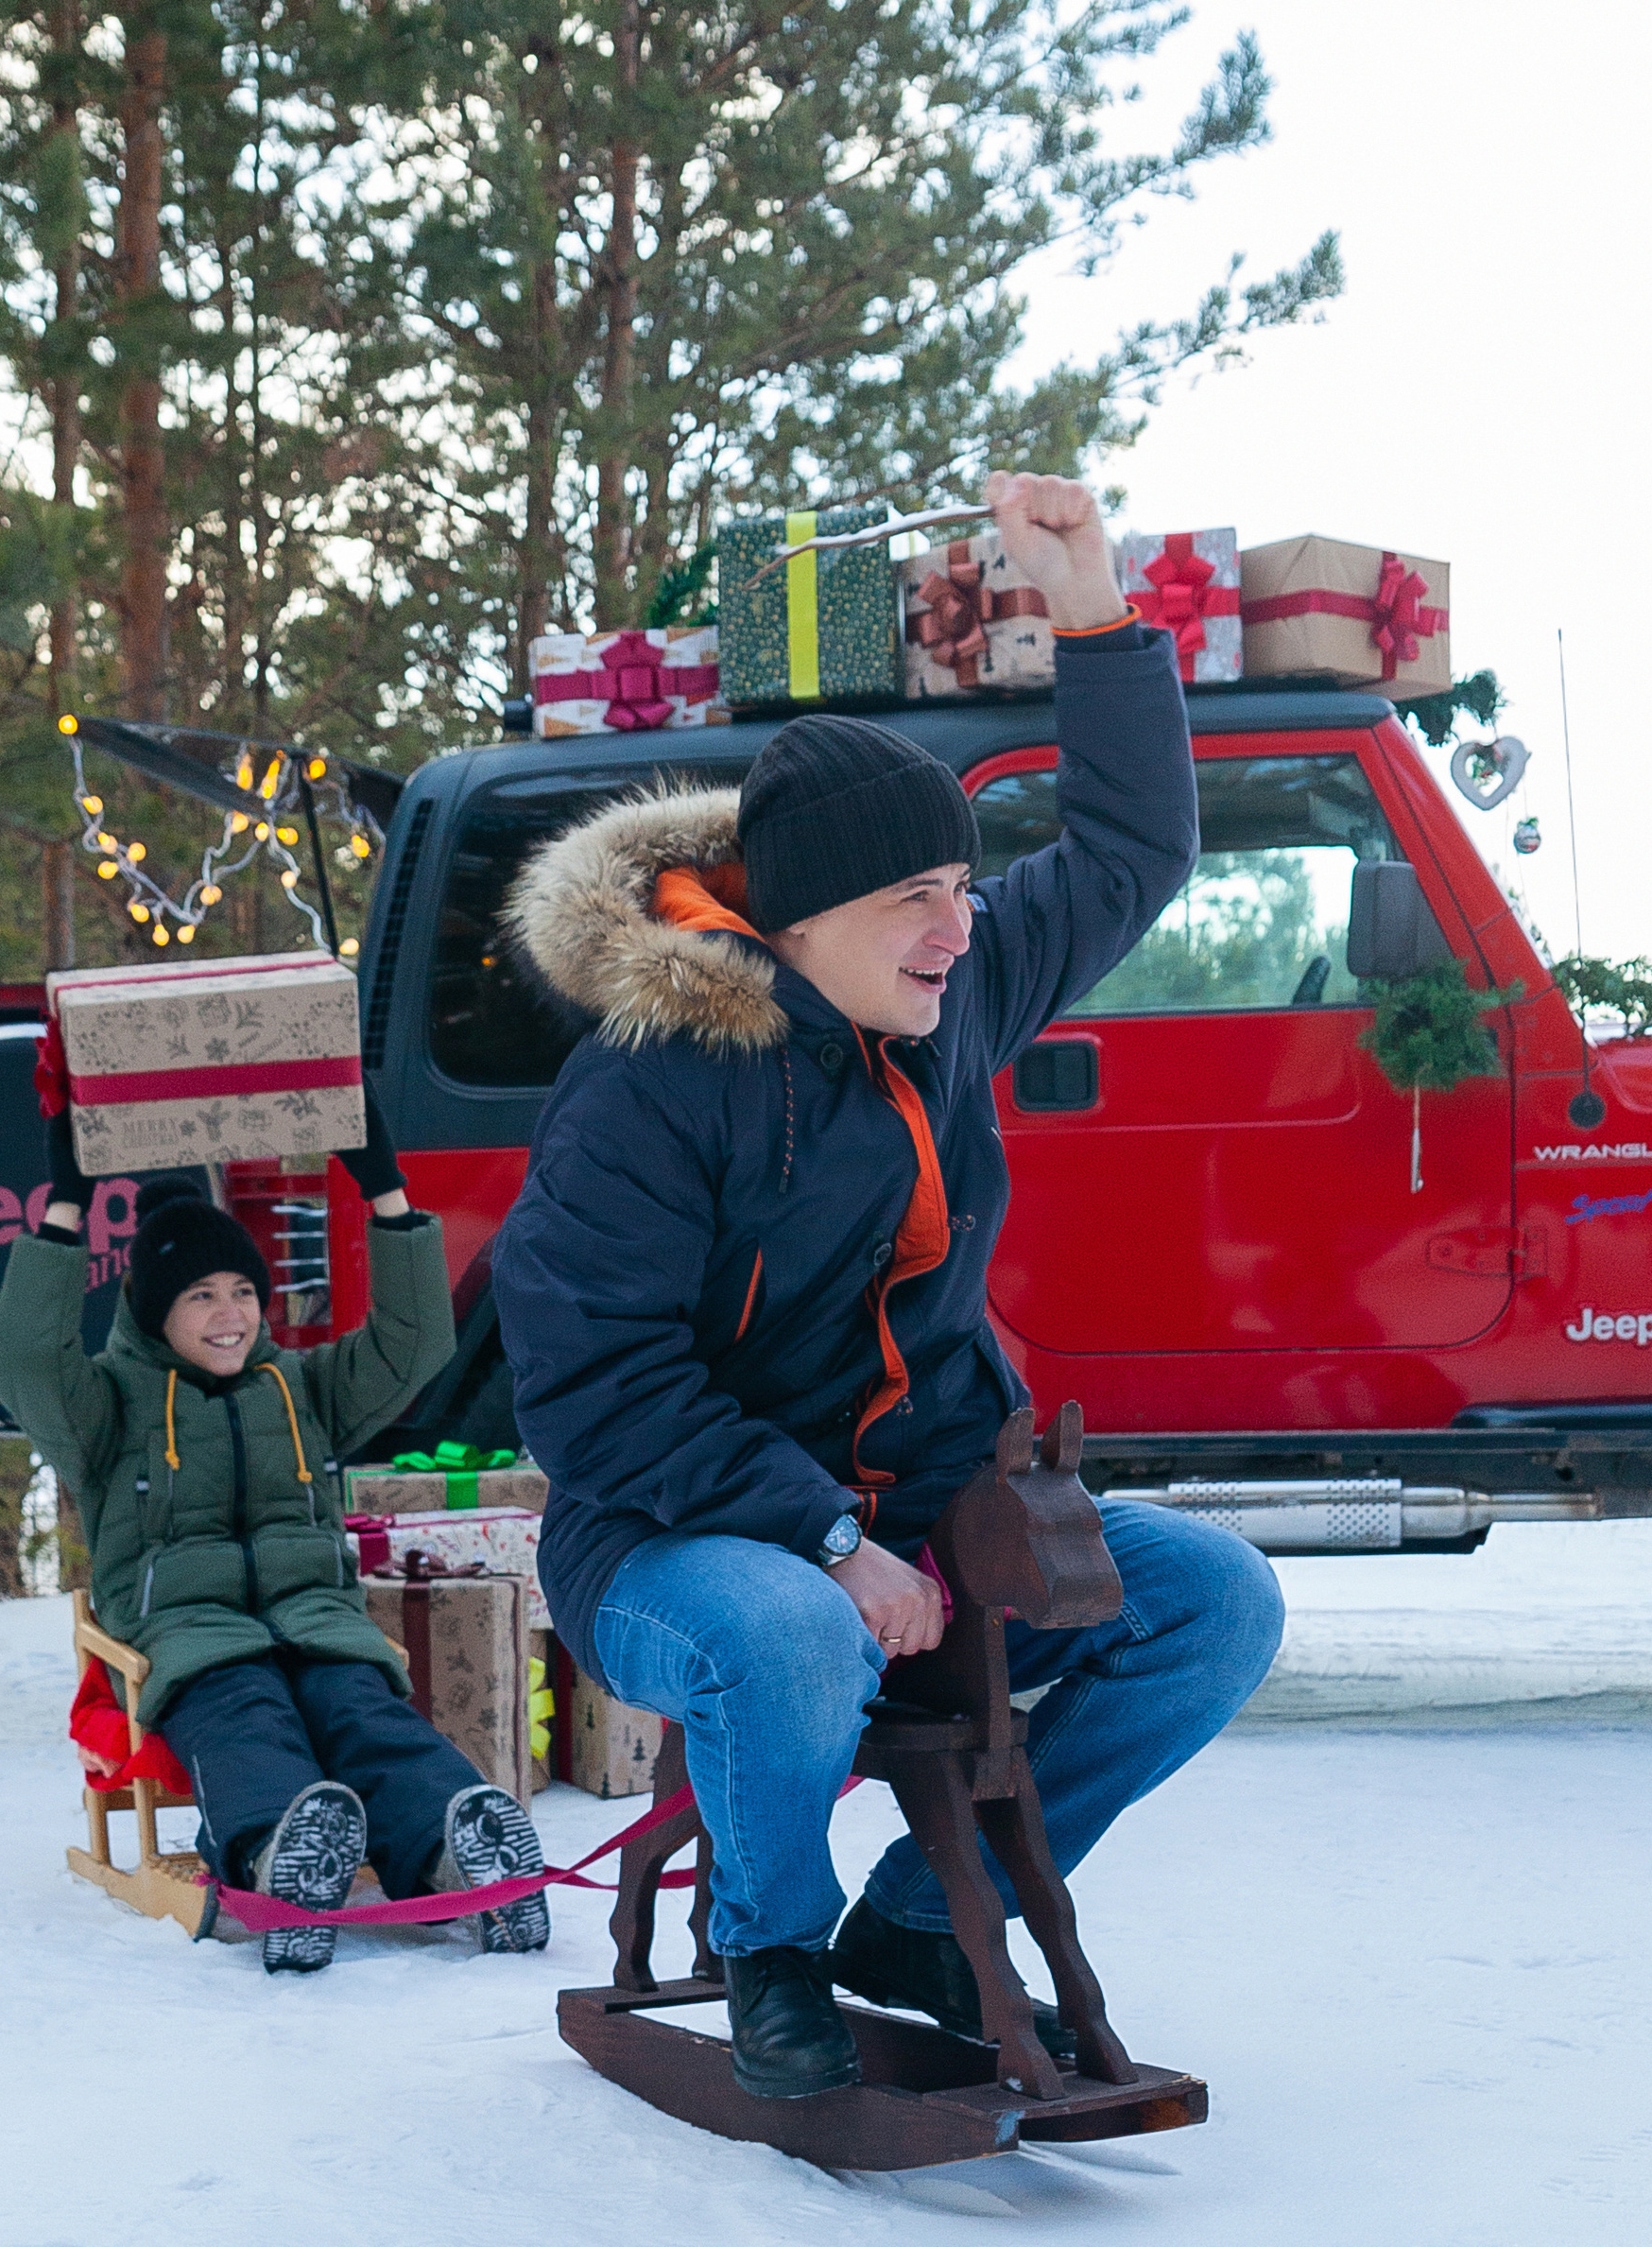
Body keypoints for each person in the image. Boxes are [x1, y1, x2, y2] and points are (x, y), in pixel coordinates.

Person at [493, 471, 1286, 2097]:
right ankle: (773, 1950)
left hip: (920, 1507)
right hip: (665, 1544)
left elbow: (1132, 847)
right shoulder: (648, 1082)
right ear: (797, 924)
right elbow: (592, 1390)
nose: (958, 926)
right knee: (789, 1628)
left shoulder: (947, 991)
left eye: (962, 887)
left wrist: (1090, 600)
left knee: (1214, 1601)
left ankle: (928, 1918)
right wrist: (827, 1537)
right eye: (914, 898)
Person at [0, 1080, 552, 1974]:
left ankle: (462, 1852)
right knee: (247, 1726)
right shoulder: (104, 1406)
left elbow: (414, 1344)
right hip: (193, 1639)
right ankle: (280, 1860)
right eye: (201, 1295)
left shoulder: (301, 1387)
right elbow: (26, 1360)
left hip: (318, 1622)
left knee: (370, 1718)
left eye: (243, 1290)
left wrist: (385, 1189)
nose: (231, 1315)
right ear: (154, 1309)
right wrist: (65, 1207)